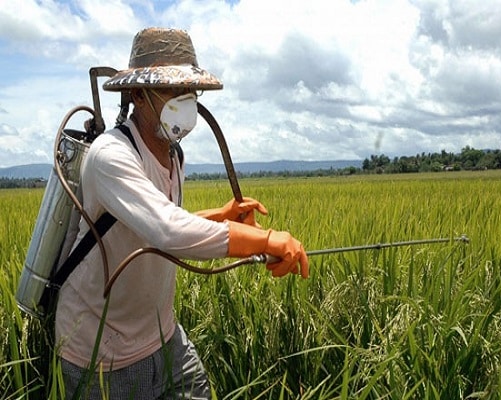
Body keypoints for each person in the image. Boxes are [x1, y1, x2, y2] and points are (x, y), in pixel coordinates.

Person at [54, 27, 309, 399]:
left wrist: (220, 217)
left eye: (189, 91)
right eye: (172, 90)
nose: (185, 101)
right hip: (101, 350)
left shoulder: (172, 153)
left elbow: (158, 221)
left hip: (161, 334)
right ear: (138, 95)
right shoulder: (111, 156)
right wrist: (266, 240)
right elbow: (168, 231)